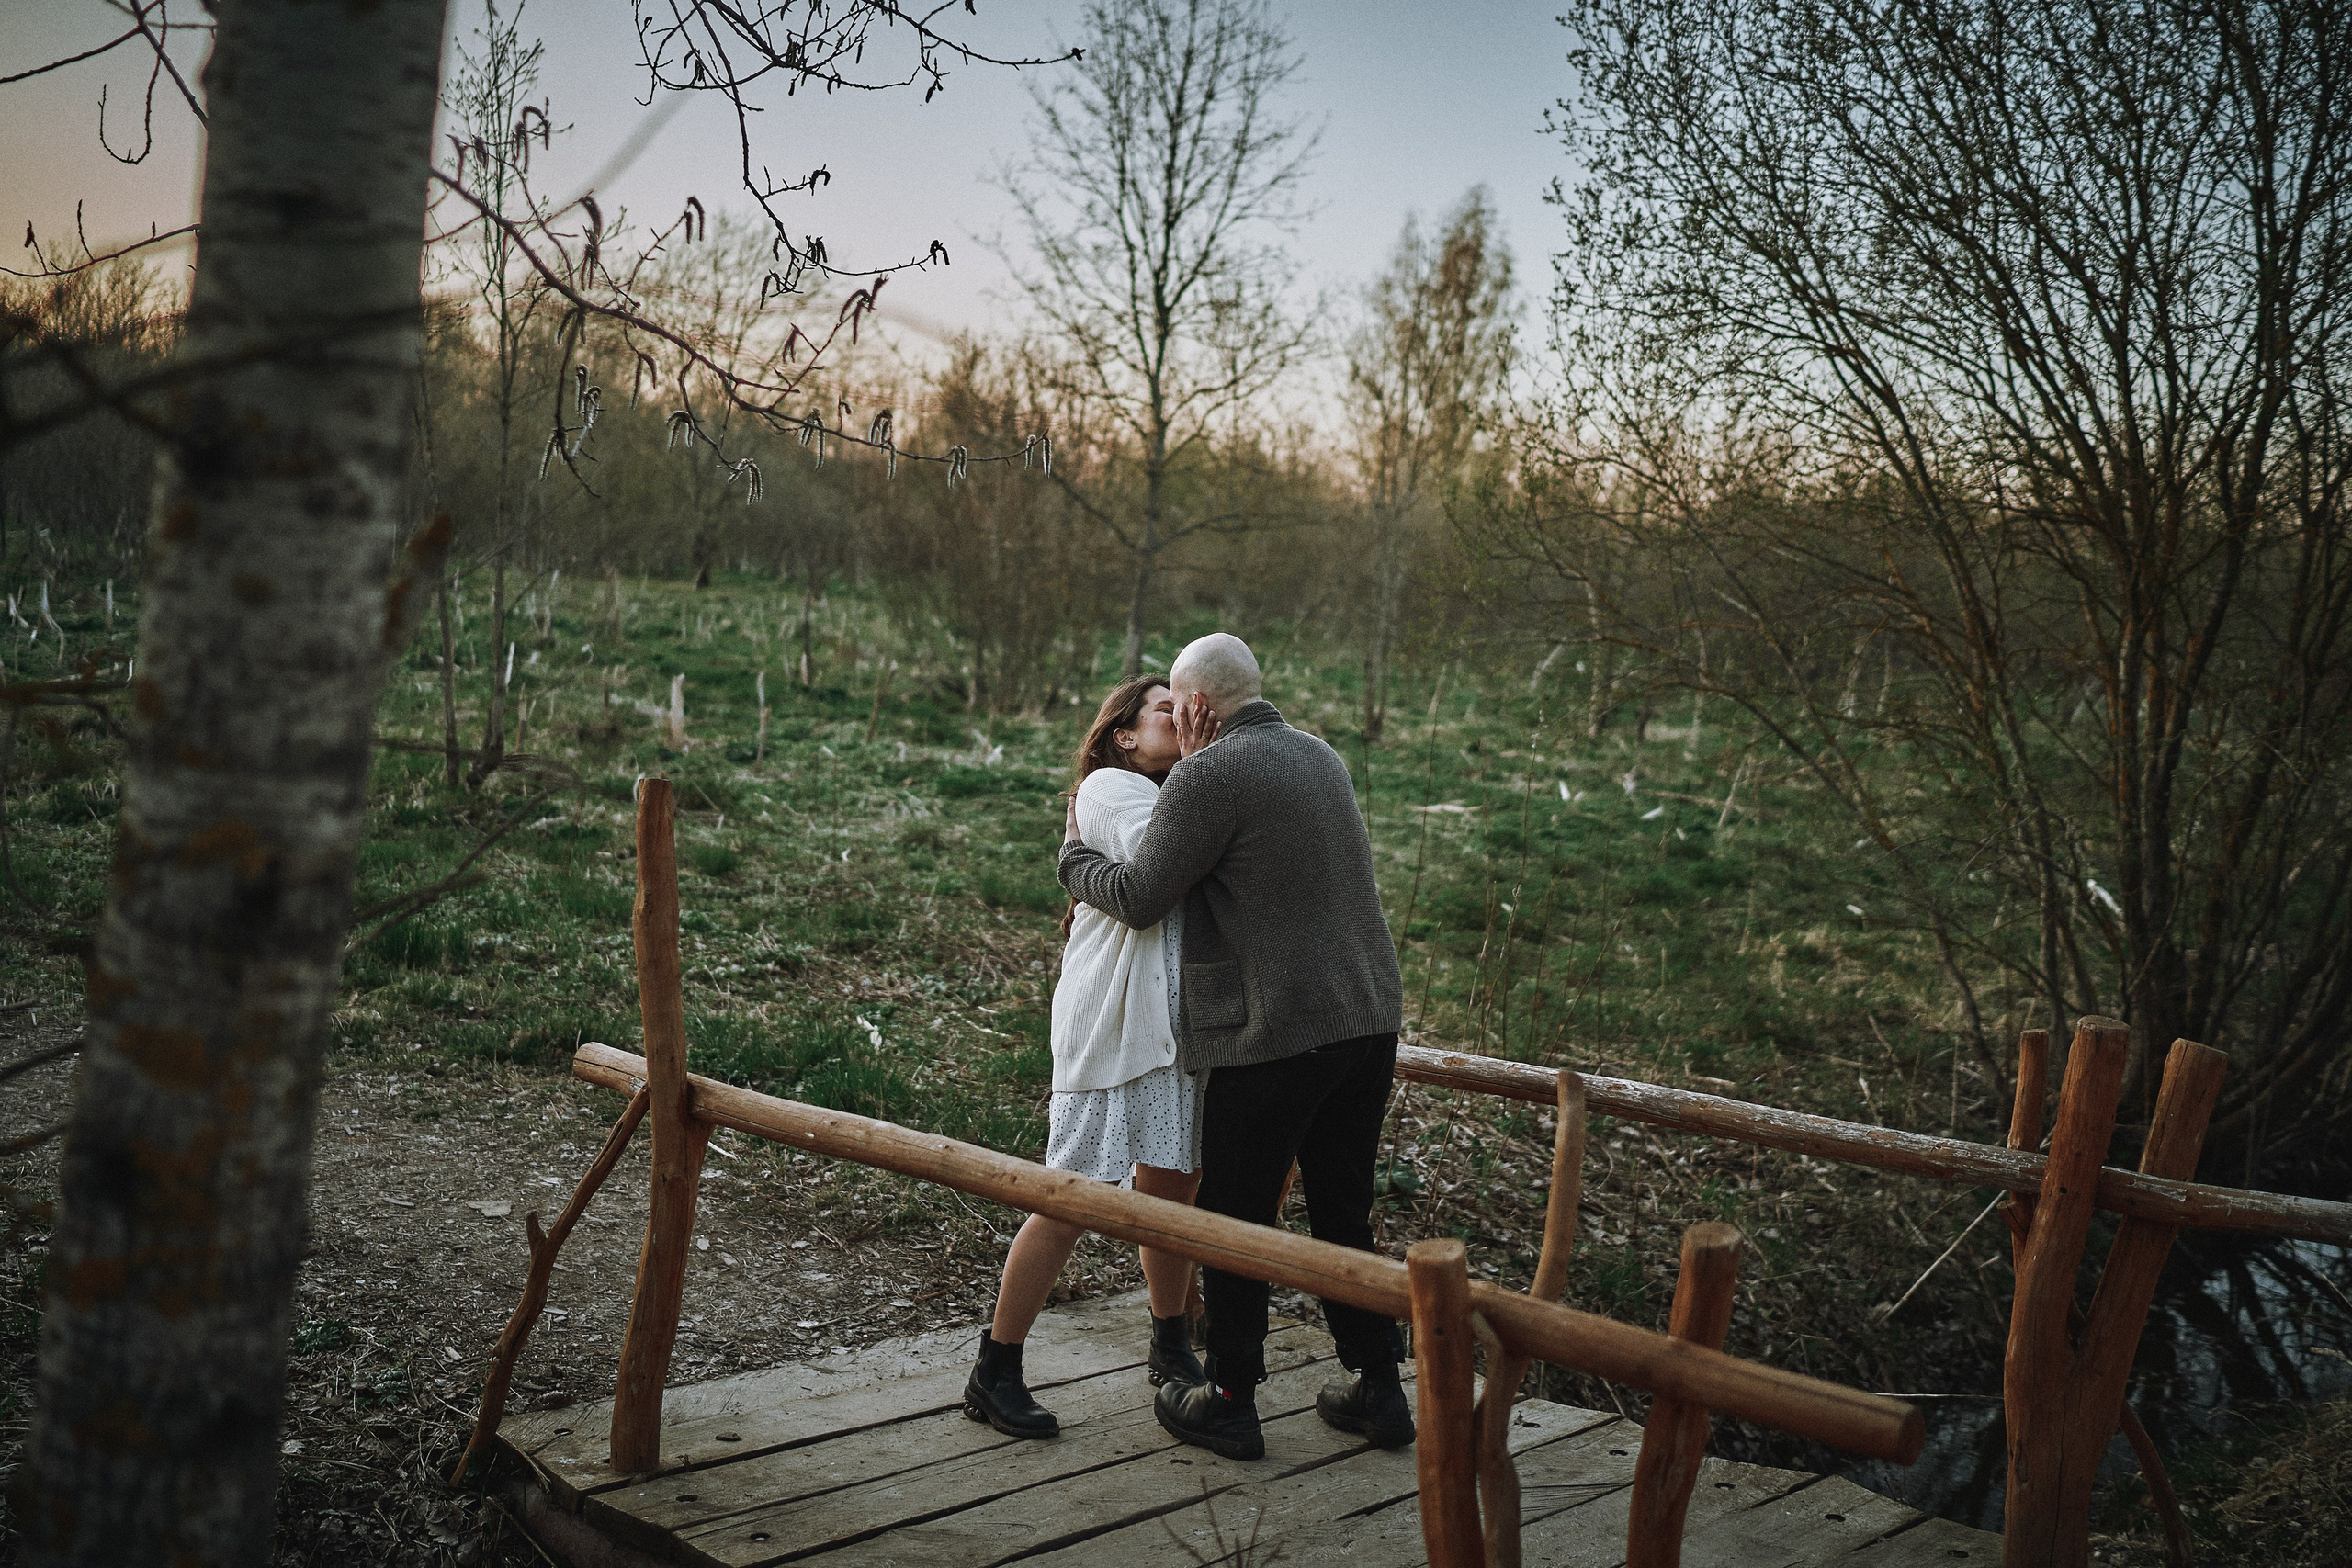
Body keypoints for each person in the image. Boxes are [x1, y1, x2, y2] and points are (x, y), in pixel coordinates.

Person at [1057, 633, 1412, 1462]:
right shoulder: (1320, 754)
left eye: (1177, 706)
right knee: (1341, 1208)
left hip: (1279, 1028)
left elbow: (1142, 895)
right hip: (1369, 1013)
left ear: (1195, 707)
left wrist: (1074, 860)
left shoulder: (1209, 775)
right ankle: (1380, 1387)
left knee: (1234, 1216)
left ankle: (1229, 1398)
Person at [962, 676, 1216, 1438]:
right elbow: (1169, 872)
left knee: (1171, 1194)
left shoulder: (1182, 791)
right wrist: (1208, 769)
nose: (1186, 715)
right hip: (1110, 1023)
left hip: (1171, 1030)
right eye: (1167, 709)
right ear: (1125, 736)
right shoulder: (1109, 787)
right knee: (1070, 1194)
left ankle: (1171, 1346)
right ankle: (995, 1367)